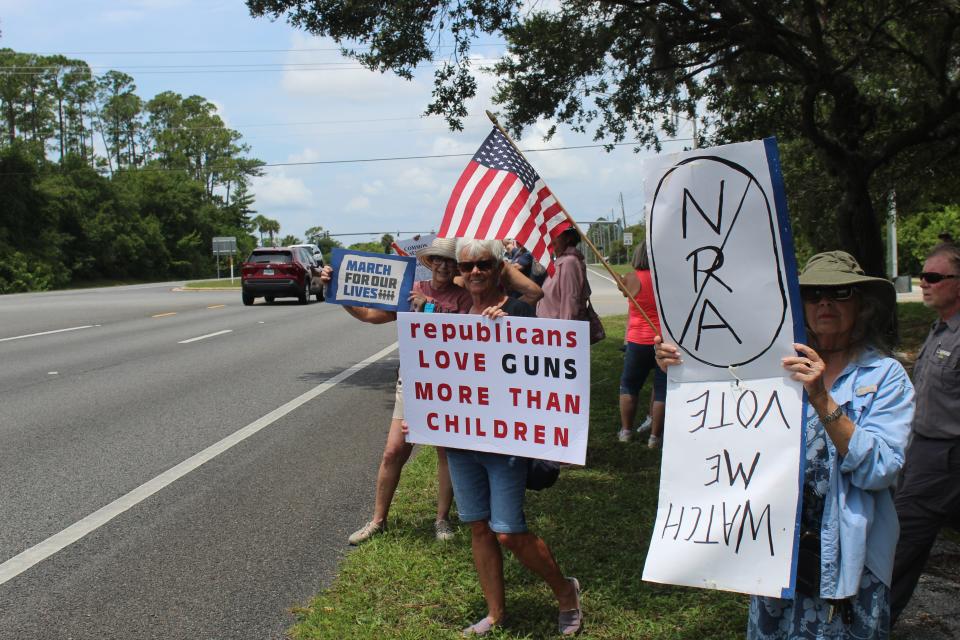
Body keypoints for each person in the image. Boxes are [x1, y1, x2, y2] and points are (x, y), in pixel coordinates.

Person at [656, 250, 913, 639]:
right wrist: (681, 367)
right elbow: (719, 420)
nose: (825, 303)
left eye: (841, 293)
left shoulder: (885, 375)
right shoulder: (771, 366)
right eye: (812, 295)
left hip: (849, 561)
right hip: (775, 550)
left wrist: (822, 399)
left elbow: (881, 469)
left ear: (861, 304)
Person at [443, 238, 581, 636]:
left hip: (503, 441)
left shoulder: (516, 310)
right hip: (460, 441)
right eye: (466, 266)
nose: (474, 272)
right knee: (479, 528)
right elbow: (437, 375)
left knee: (507, 531)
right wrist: (421, 417)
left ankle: (565, 591)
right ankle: (495, 613)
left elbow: (538, 369)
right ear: (458, 271)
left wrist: (508, 327)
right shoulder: (448, 312)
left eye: (484, 264)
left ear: (497, 267)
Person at [321, 238, 471, 545]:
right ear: (429, 263)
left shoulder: (465, 297)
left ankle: (442, 519)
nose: (444, 265)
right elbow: (368, 315)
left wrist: (429, 307)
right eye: (438, 260)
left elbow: (468, 334)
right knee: (393, 451)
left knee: (445, 453)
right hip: (413, 381)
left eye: (450, 261)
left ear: (457, 266)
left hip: (450, 384)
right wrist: (339, 289)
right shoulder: (410, 290)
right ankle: (378, 520)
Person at [890, 242, 960, 625]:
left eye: (934, 277)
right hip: (923, 450)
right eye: (923, 276)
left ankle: (871, 621)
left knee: (901, 539)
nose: (924, 283)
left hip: (945, 457)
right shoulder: (940, 330)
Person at [618, 243, 666, 447]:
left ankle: (626, 431)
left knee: (629, 385)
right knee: (661, 388)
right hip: (661, 340)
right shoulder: (663, 279)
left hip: (637, 339)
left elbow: (622, 289)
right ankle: (655, 437)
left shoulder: (630, 278)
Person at [537, 225, 590, 321]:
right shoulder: (560, 261)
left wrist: (566, 332)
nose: (551, 239)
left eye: (555, 234)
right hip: (550, 330)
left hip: (558, 332)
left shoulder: (569, 262)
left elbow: (569, 304)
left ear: (568, 238)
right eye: (550, 235)